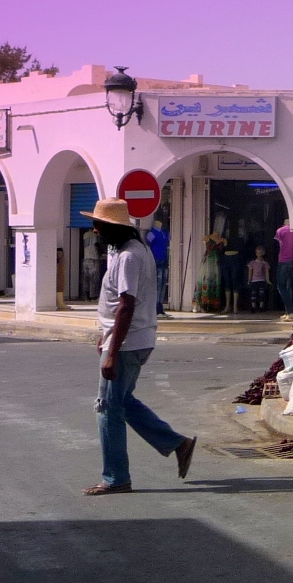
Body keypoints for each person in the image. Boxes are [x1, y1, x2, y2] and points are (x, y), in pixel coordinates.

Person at [79, 198, 195, 496]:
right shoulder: (127, 251)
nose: (95, 229)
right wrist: (105, 337)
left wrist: (112, 352)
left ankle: (116, 477)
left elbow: (127, 305)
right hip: (129, 339)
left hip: (129, 343)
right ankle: (177, 443)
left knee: (107, 408)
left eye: (100, 225)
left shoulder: (129, 256)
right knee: (123, 402)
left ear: (112, 228)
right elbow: (118, 304)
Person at [145, 222, 170, 316]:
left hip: (164, 259)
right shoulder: (152, 233)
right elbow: (148, 242)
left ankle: (160, 304)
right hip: (156, 259)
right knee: (158, 282)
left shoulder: (165, 233)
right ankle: (156, 304)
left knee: (163, 282)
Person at [273, 219, 293, 317]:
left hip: (283, 260)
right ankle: (290, 311)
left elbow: (278, 245)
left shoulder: (281, 231)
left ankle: (289, 310)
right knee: (290, 286)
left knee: (281, 286)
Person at [247, 246, 272, 312]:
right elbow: (250, 271)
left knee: (262, 293)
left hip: (262, 280)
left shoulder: (265, 263)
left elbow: (266, 272)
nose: (258, 254)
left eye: (260, 252)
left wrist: (267, 280)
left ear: (263, 253)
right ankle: (253, 306)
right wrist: (249, 280)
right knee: (253, 293)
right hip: (254, 280)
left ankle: (261, 307)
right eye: (257, 252)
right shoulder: (252, 263)